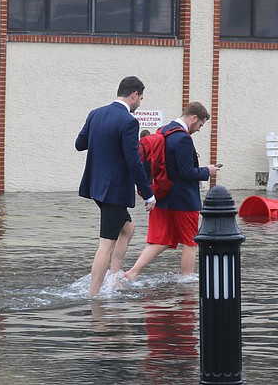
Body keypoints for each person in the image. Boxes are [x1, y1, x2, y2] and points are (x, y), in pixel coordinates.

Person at [75, 76, 156, 296]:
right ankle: (94, 295)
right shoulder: (129, 121)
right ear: (134, 95)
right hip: (114, 191)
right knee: (106, 244)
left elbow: (79, 144)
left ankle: (114, 278)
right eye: (140, 98)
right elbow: (134, 161)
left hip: (96, 187)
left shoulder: (96, 114)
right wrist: (148, 194)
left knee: (127, 229)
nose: (140, 103)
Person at [124, 102, 219, 281]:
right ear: (194, 118)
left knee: (160, 240)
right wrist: (208, 170)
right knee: (191, 242)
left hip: (161, 195)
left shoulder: (163, 131)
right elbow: (186, 172)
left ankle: (132, 272)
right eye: (200, 125)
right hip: (183, 200)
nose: (198, 129)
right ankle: (187, 280)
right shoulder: (182, 138)